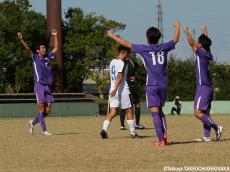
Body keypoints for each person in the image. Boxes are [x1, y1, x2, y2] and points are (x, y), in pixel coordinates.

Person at [106, 21, 180, 146]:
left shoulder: (144, 49)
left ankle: (161, 140)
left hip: (152, 85)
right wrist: (178, 27)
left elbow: (125, 44)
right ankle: (164, 136)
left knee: (155, 112)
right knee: (160, 110)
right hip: (163, 84)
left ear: (147, 38)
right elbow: (175, 40)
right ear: (158, 38)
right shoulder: (164, 47)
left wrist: (111, 35)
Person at [184, 25, 223, 142]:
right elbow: (206, 43)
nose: (196, 43)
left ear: (200, 45)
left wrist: (186, 32)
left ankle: (217, 127)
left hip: (203, 88)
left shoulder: (200, 53)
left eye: (198, 42)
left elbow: (191, 44)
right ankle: (206, 136)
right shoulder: (208, 53)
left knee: (197, 113)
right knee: (205, 113)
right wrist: (205, 32)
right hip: (208, 87)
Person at [17, 30, 58, 136]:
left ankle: (32, 122)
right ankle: (44, 130)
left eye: (44, 48)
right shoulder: (35, 58)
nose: (44, 49)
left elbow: (56, 48)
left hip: (47, 86)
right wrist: (21, 39)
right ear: (38, 50)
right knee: (41, 107)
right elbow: (27, 48)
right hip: (39, 85)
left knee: (48, 110)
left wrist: (55, 36)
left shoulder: (47, 57)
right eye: (42, 48)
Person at [100, 45, 140, 139]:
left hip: (113, 91)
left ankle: (104, 129)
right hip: (122, 91)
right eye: (128, 53)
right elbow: (119, 77)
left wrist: (113, 89)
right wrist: (116, 89)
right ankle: (133, 133)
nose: (128, 55)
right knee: (129, 110)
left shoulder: (112, 62)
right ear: (125, 52)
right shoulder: (122, 63)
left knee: (113, 111)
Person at [119, 57, 145, 130]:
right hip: (131, 86)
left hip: (122, 87)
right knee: (137, 104)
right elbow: (133, 74)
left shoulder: (120, 62)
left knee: (123, 105)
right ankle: (137, 124)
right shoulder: (131, 62)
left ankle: (122, 125)